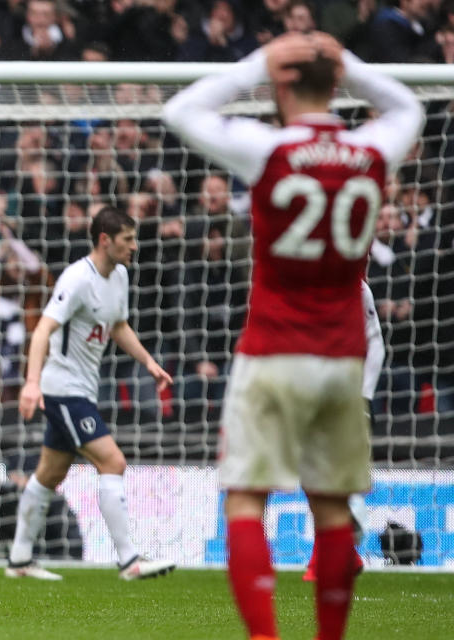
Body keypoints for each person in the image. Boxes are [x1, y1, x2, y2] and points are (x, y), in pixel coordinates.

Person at [163, 31, 422, 640]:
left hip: (272, 350)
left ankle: (265, 638)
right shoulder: (372, 147)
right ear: (336, 85)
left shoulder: (266, 148)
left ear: (281, 84)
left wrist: (258, 63)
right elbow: (411, 106)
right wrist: (347, 64)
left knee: (247, 499)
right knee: (332, 509)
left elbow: (179, 110)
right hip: (344, 354)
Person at [9, 205, 175, 581]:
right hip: (63, 390)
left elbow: (117, 325)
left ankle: (19, 561)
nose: (134, 246)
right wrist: (33, 383)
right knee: (112, 462)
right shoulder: (76, 279)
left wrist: (148, 362)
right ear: (105, 240)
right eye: (127, 239)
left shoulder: (119, 277)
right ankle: (130, 561)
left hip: (83, 388)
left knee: (49, 474)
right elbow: (42, 332)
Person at [302, 279, 385, 582]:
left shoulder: (355, 286)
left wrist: (365, 396)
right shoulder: (291, 283)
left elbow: (376, 342)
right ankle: (344, 554)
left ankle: (330, 556)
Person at [0, 452, 83, 561]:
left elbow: (72, 544)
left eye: (19, 476)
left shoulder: (54, 501)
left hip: (47, 559)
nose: (14, 481)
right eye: (12, 476)